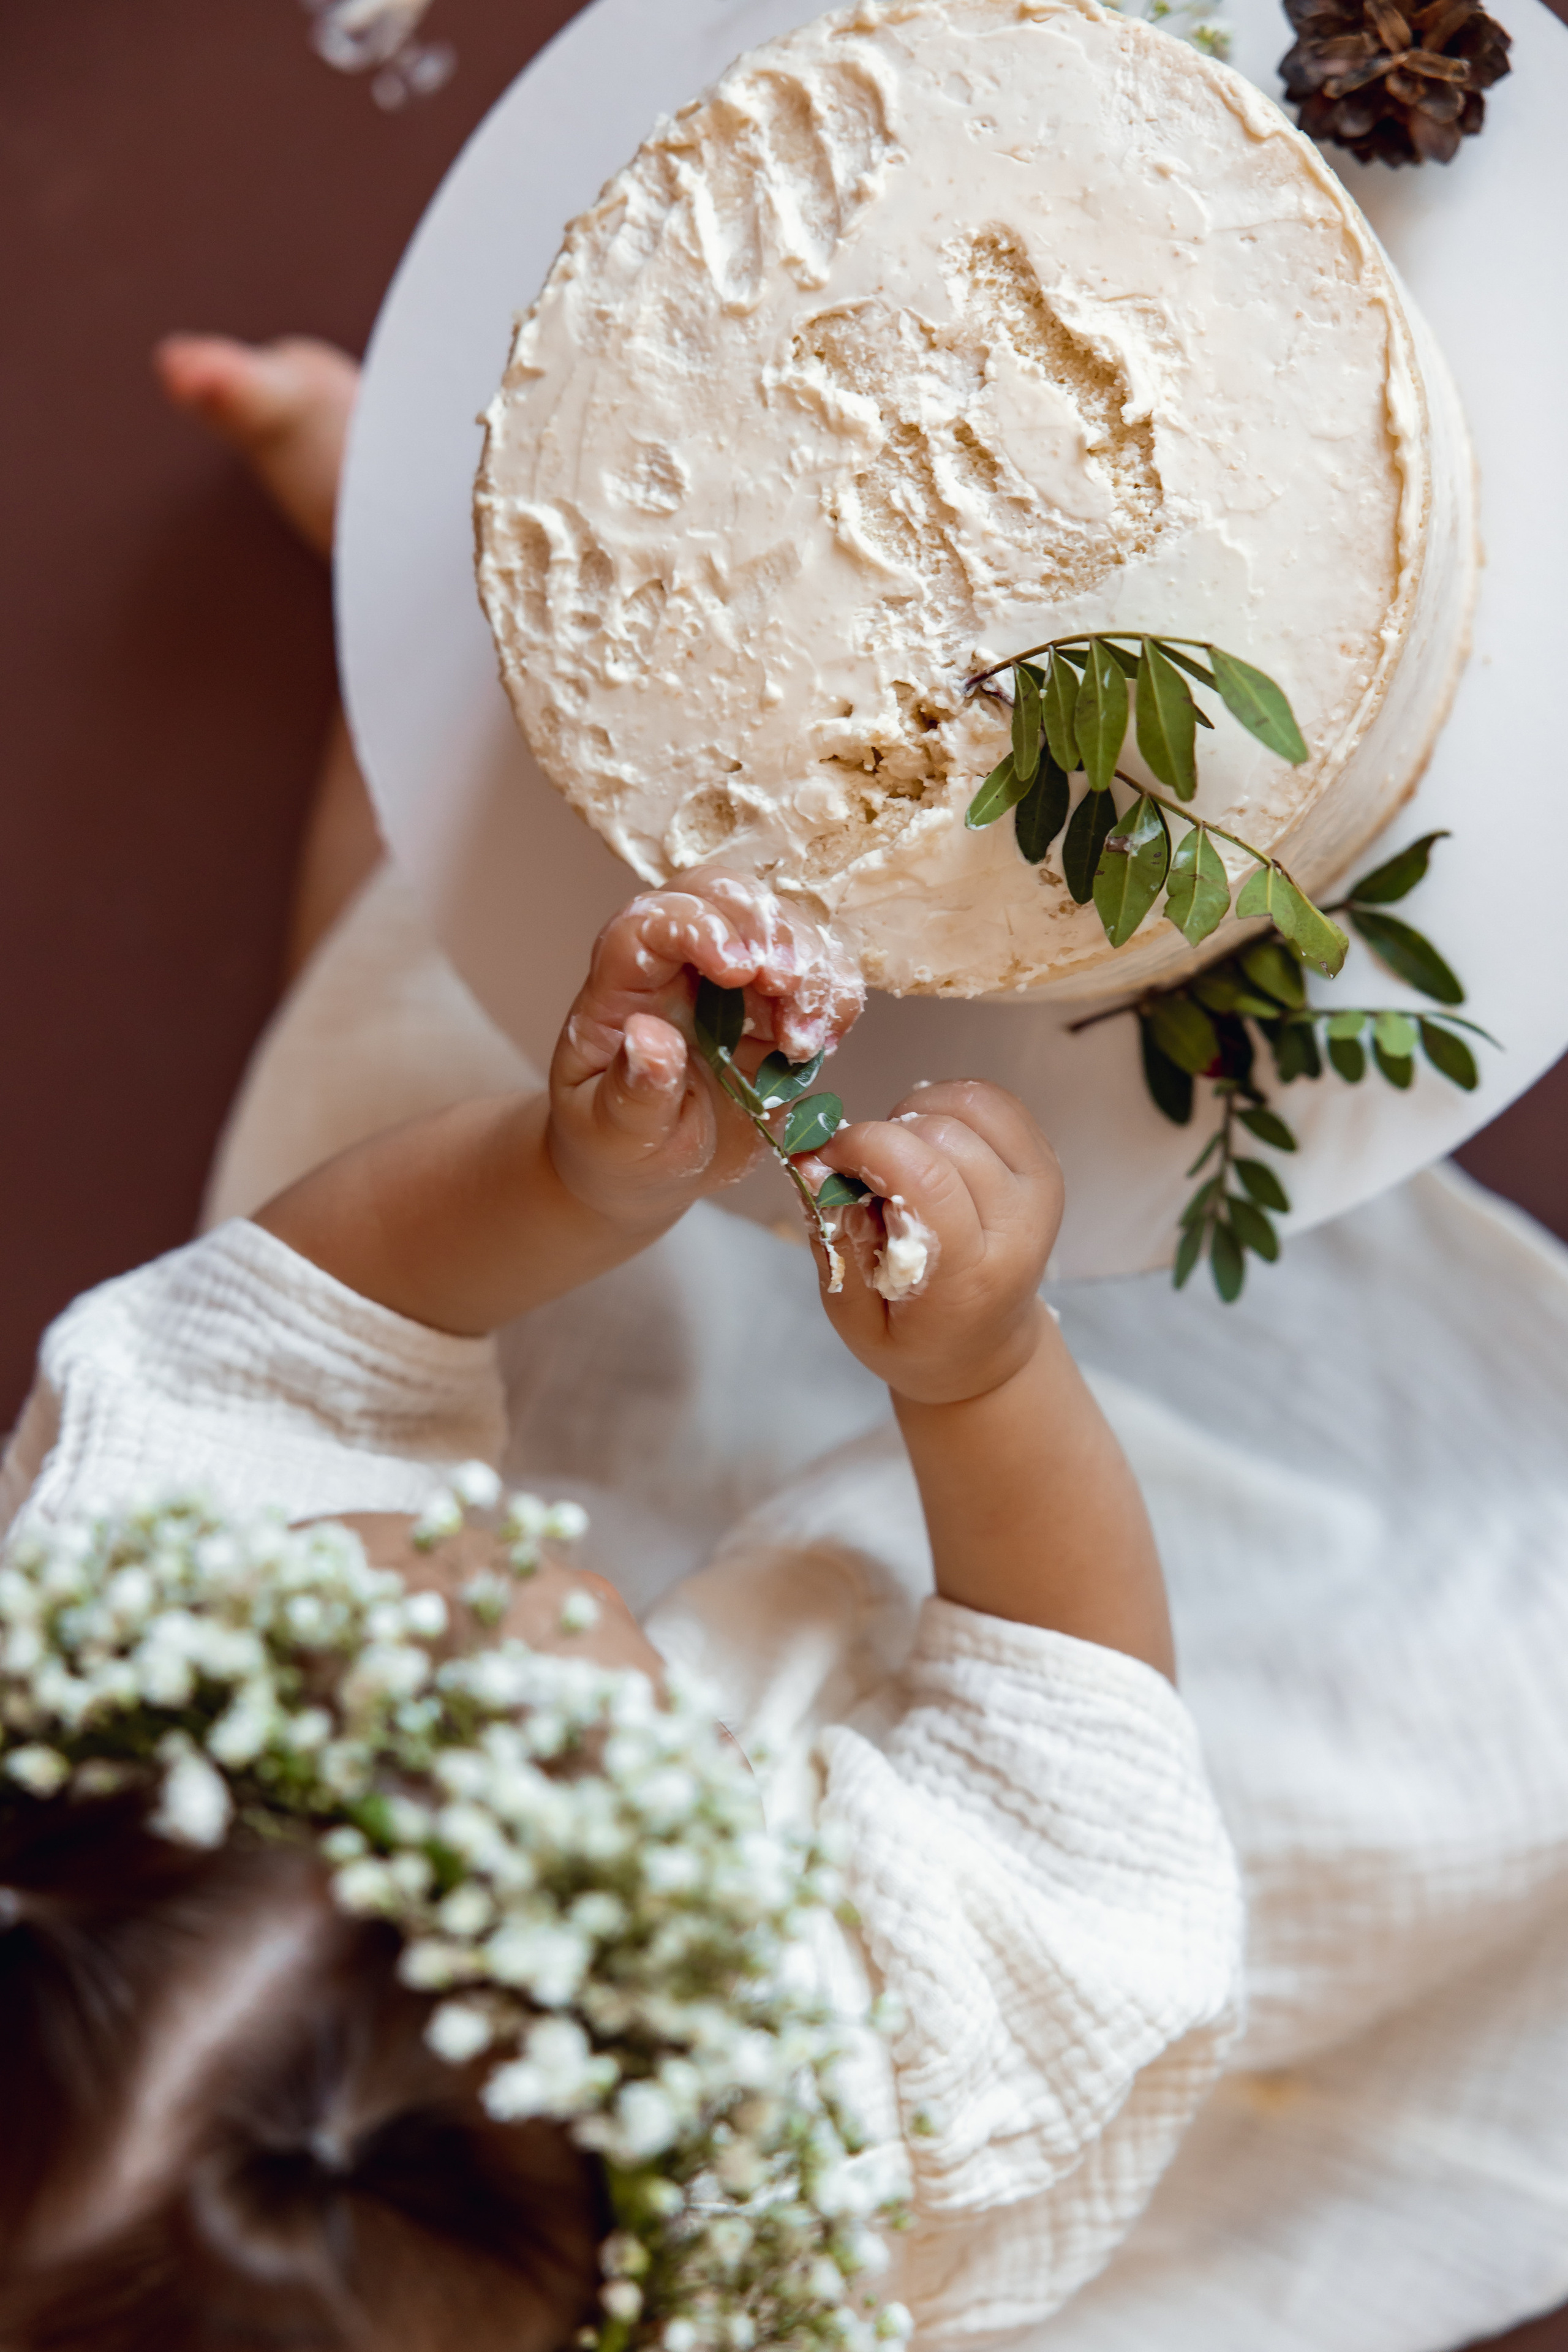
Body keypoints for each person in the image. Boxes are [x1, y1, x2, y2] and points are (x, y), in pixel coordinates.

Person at [0, 337, 1240, 2350]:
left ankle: (398, 573)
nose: (509, 1616)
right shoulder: (864, 2123)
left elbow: (319, 1325)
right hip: (933, 1680)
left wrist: (573, 1174)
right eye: (558, 1727)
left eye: (364, 1639)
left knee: (391, 1005)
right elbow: (1074, 1739)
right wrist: (987, 1382)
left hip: (492, 1333)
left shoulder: (116, 1607)